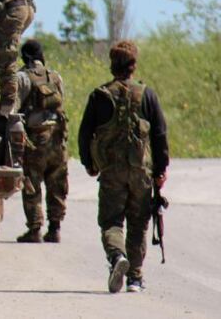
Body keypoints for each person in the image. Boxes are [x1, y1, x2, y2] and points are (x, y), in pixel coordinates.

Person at [78, 40, 169, 293]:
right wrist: (161, 170)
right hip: (141, 172)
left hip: (111, 172)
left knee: (111, 221)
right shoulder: (147, 95)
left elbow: (85, 134)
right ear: (133, 65)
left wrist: (88, 163)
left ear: (112, 65)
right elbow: (160, 134)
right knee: (138, 223)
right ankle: (135, 279)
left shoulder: (99, 96)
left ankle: (117, 256)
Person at [14, 39, 69, 243]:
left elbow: (13, 110)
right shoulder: (55, 76)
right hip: (58, 139)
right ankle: (55, 228)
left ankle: (35, 228)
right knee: (57, 183)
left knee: (31, 183)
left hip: (35, 140)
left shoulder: (22, 77)